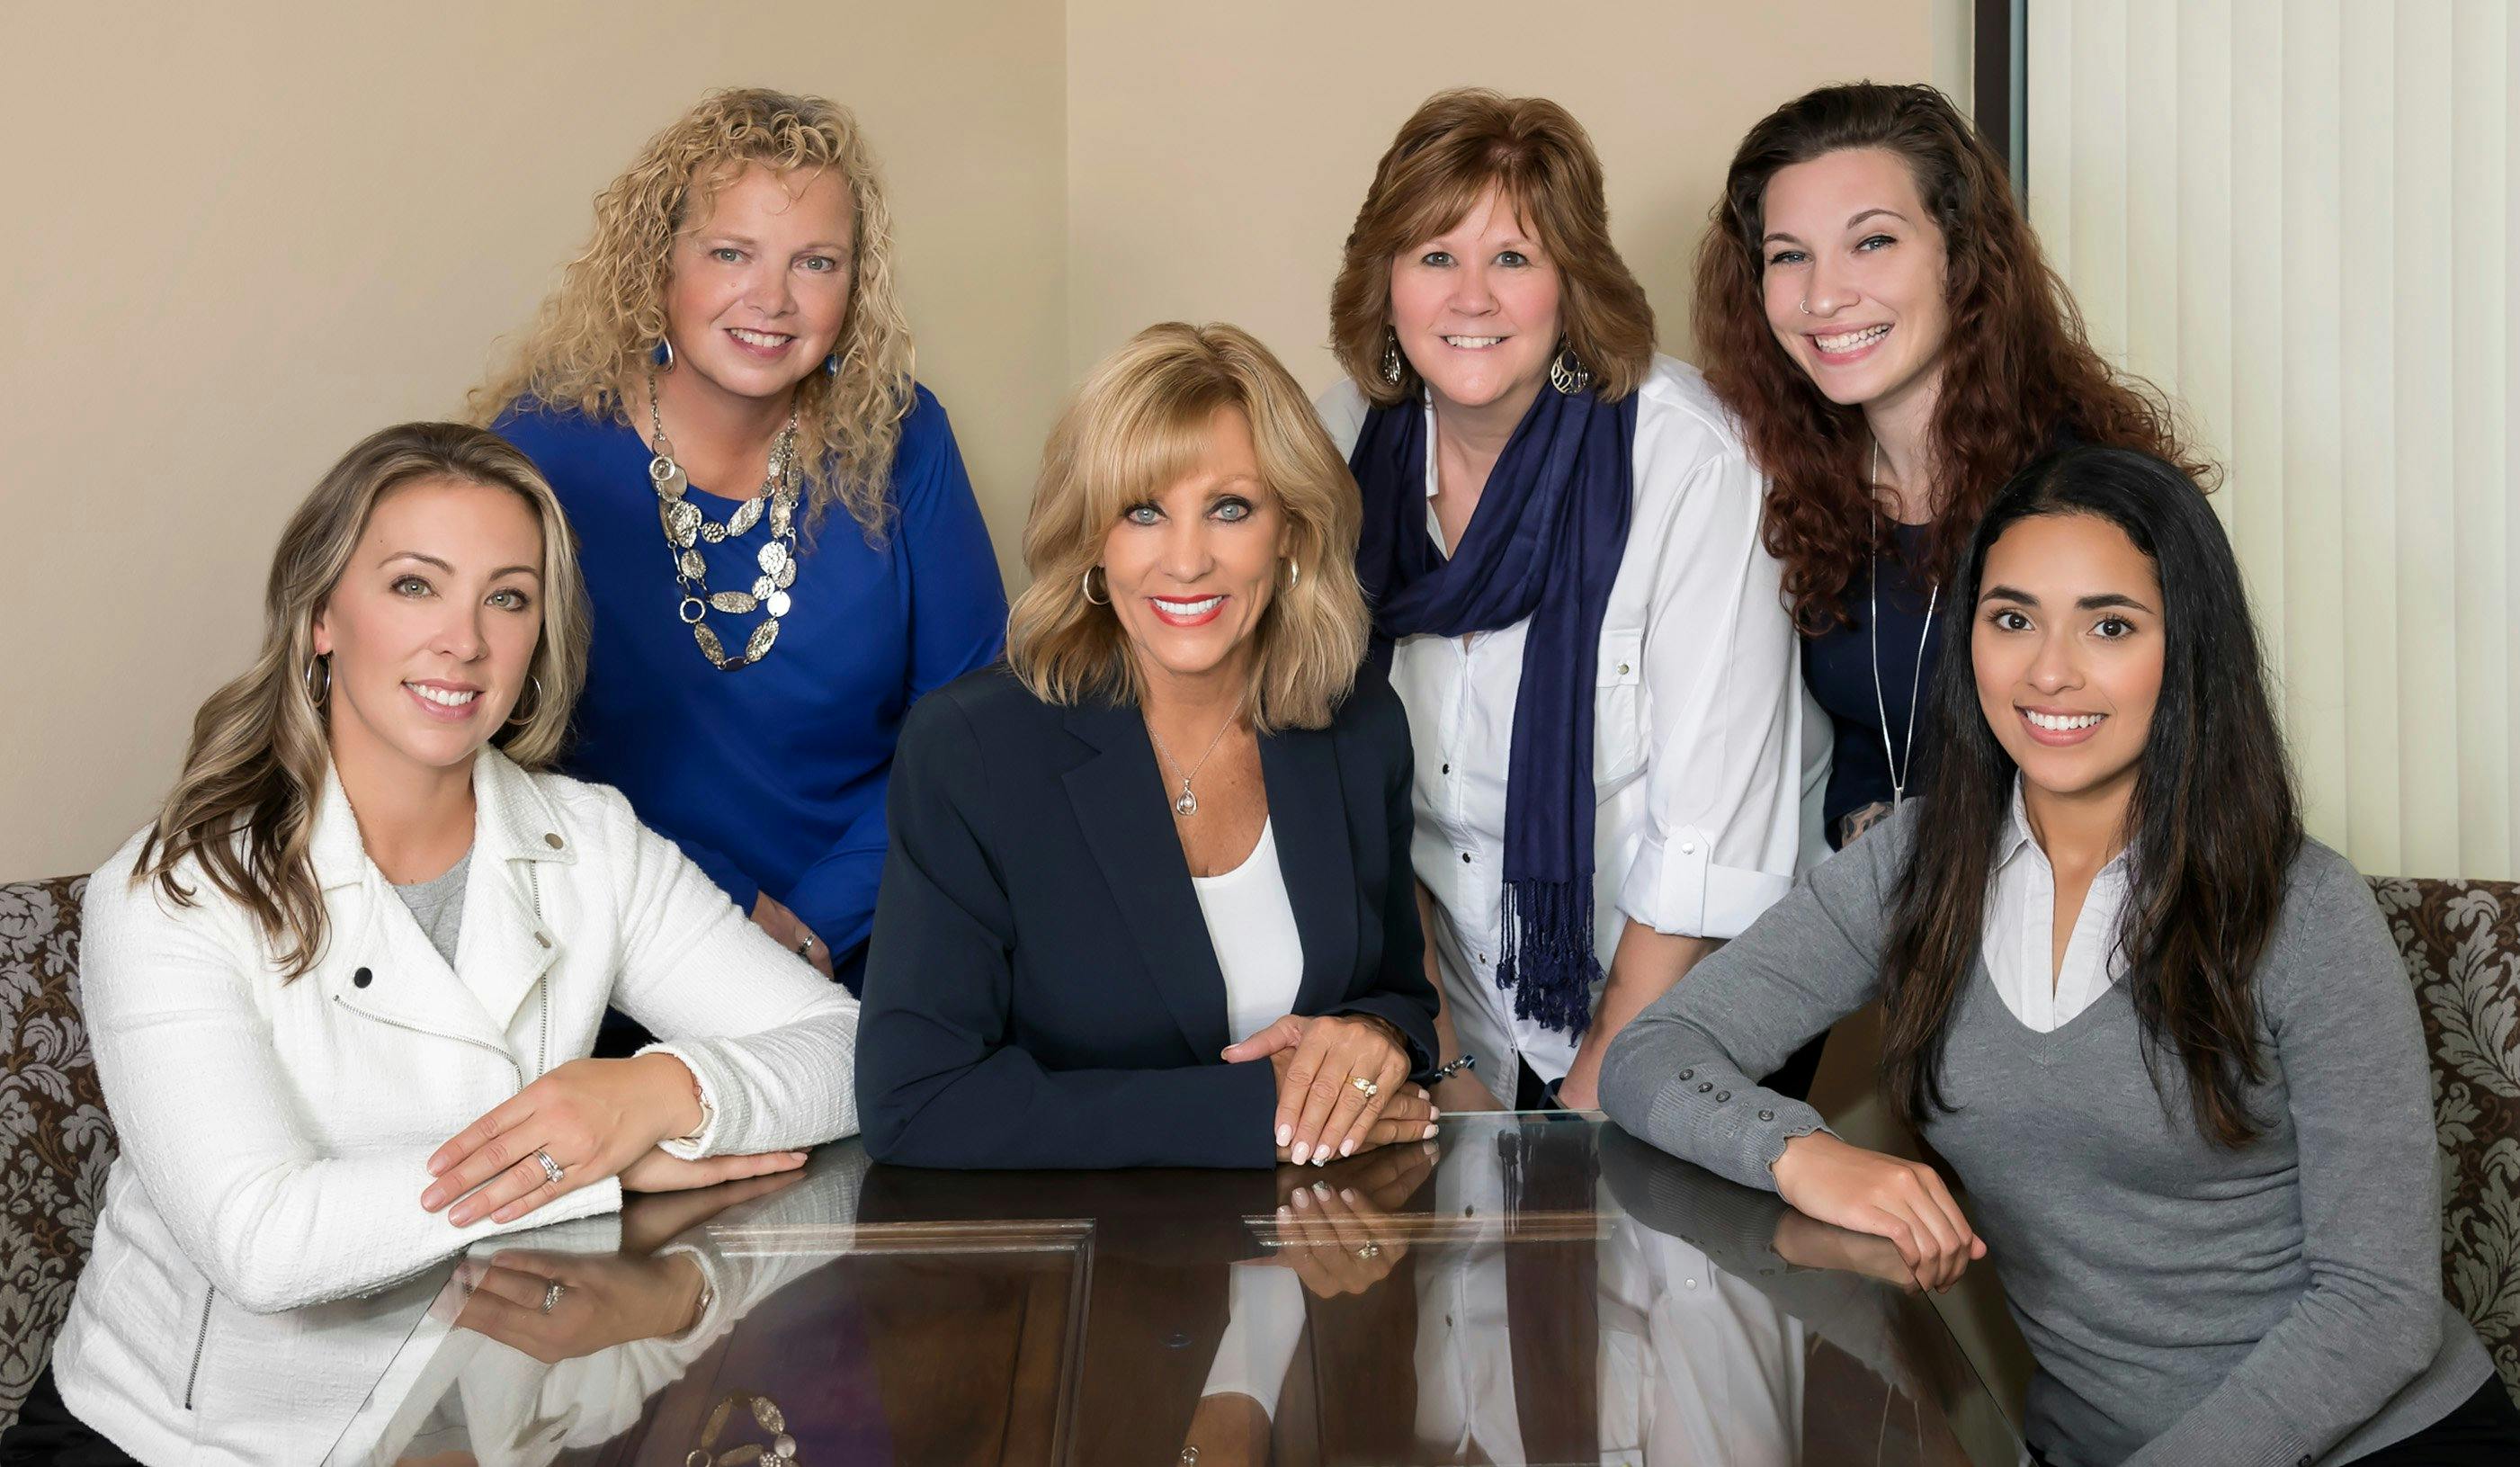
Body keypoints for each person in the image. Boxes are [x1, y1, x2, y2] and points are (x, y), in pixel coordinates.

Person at [1601, 446, 2515, 1464]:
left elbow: (2379, 1309)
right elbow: (1653, 1051)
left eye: (2110, 624)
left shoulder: (2305, 909)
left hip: (2381, 1442)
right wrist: (1800, 1152)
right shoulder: (1915, 860)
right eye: (2013, 617)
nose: (2050, 669)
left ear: (2187, 650)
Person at [24, 425, 861, 1464]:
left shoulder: (591, 839)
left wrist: (654, 1094)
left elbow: (846, 1049)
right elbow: (263, 1239)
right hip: (192, 1447)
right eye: (416, 586)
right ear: (323, 615)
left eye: (507, 597)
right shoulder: (173, 890)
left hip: (488, 1418)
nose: (463, 641)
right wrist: (592, 1163)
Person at [1318, 88, 1825, 1112]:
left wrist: (1585, 1113)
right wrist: (1452, 1072)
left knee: (1636, 1262)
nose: (1472, 298)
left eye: (1513, 258)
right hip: (1451, 989)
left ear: (1572, 283)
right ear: (1384, 285)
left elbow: (1707, 841)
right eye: (1433, 257)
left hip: (1687, 984)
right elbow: (1353, 790)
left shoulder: (1689, 458)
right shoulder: (1339, 454)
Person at [856, 323, 1441, 1170]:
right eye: (1143, 512)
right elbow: (917, 1101)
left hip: (1326, 1267)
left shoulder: (1357, 723)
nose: (1188, 560)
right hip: (1088, 1279)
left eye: (1230, 508)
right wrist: (1252, 1111)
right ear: (1096, 539)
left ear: (1291, 533)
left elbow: (1395, 988)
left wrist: (1376, 1036)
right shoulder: (972, 752)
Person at [475, 87, 1005, 1010]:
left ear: (855, 284)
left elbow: (972, 724)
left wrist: (816, 922)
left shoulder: (907, 439)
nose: (772, 299)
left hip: (891, 929)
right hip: (621, 947)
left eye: (816, 262)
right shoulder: (540, 454)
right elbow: (510, 746)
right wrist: (728, 908)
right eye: (730, 253)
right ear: (659, 265)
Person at [1693, 82, 2206, 852]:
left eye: (1873, 242)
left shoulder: (2086, 496)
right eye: (1789, 255)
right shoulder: (1797, 481)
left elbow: (2168, 780)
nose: (1825, 296)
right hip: (1860, 914)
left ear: (1960, 257)